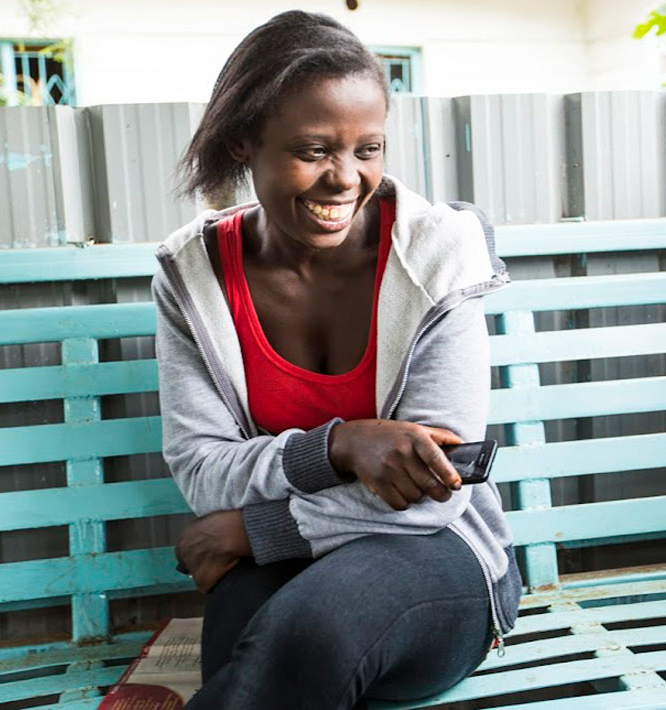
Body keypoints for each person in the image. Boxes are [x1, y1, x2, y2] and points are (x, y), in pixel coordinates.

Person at [151, 10, 522, 710]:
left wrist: (256, 529)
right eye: (315, 149)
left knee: (309, 636)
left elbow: (435, 495)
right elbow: (204, 474)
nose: (345, 180)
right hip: (279, 568)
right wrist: (343, 446)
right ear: (243, 143)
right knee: (248, 648)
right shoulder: (192, 277)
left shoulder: (439, 256)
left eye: (368, 149)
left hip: (439, 559)